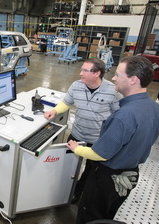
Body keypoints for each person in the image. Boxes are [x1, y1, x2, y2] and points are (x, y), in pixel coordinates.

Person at [66, 56, 159, 224]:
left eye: (118, 75)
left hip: (107, 179)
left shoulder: (124, 116)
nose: (113, 78)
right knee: (107, 215)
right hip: (130, 175)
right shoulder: (155, 108)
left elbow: (100, 154)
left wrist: (77, 149)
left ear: (133, 79)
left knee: (90, 216)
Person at [44, 58, 121, 203]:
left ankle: (78, 191)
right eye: (81, 70)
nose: (80, 74)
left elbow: (118, 115)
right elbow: (66, 102)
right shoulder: (76, 86)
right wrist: (54, 111)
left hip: (97, 139)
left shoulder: (112, 90)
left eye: (85, 71)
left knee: (90, 170)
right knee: (68, 162)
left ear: (97, 73)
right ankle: (64, 186)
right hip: (77, 134)